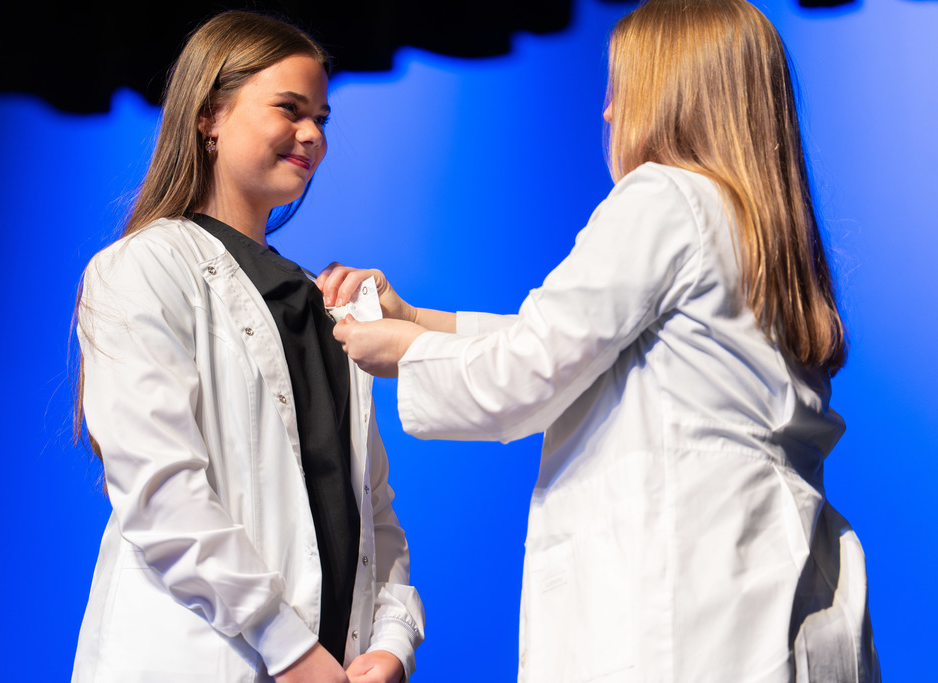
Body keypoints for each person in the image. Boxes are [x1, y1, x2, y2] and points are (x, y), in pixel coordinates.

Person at [321, 0, 879, 680]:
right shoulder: (757, 232)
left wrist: (396, 351)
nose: (609, 112)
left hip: (685, 610)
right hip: (777, 589)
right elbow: (587, 347)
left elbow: (531, 369)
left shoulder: (664, 199)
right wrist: (414, 320)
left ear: (671, 95)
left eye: (620, 89)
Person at [71, 11, 423, 683]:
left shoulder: (323, 304)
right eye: (290, 109)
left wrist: (392, 639)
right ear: (210, 115)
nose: (313, 135)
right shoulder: (140, 269)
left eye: (322, 117)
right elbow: (162, 493)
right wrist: (288, 646)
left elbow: (373, 510)